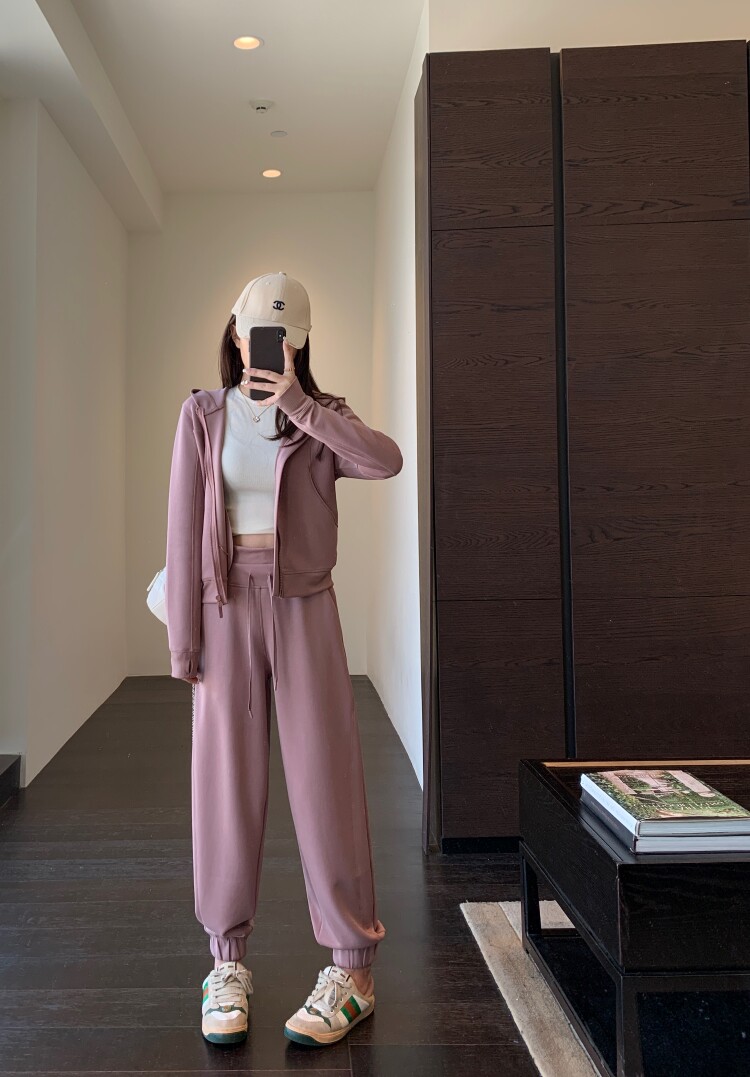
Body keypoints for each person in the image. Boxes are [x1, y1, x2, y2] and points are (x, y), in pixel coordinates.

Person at [164, 271, 402, 1047]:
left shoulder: (320, 417)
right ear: (236, 334)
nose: (265, 346)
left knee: (326, 775)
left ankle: (353, 970)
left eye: (284, 337)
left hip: (305, 603)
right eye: (255, 332)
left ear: (298, 344)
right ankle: (226, 962)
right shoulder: (202, 415)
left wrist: (299, 404)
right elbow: (182, 524)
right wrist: (184, 638)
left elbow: (386, 461)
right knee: (225, 785)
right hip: (224, 604)